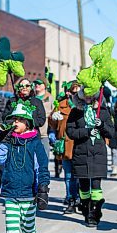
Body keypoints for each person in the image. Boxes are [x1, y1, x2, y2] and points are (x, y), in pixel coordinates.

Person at [0, 100, 50, 233]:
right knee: (11, 230)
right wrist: (4, 140)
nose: (15, 123)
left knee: (28, 228)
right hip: (10, 192)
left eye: (19, 120)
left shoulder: (34, 143)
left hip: (28, 193)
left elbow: (42, 166)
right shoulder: (10, 141)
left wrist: (43, 188)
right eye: (14, 120)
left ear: (27, 123)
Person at [66, 88, 115, 227]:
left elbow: (111, 132)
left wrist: (102, 125)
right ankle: (86, 209)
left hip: (97, 153)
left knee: (96, 186)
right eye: (85, 95)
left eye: (90, 95)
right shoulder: (76, 111)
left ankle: (94, 214)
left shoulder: (103, 111)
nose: (88, 97)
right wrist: (86, 131)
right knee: (84, 186)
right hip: (81, 152)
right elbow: (70, 131)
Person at [49, 80, 80, 214]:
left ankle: (81, 199)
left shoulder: (84, 105)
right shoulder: (60, 105)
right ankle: (70, 199)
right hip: (66, 145)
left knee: (80, 176)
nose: (75, 94)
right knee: (68, 175)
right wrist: (52, 118)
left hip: (80, 145)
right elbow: (53, 126)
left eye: (78, 91)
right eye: (73, 91)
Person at [33, 78, 55, 154]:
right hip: (32, 132)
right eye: (36, 83)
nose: (37, 85)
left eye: (39, 84)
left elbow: (53, 114)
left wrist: (52, 131)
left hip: (44, 133)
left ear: (44, 85)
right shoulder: (32, 98)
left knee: (44, 157)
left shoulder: (50, 98)